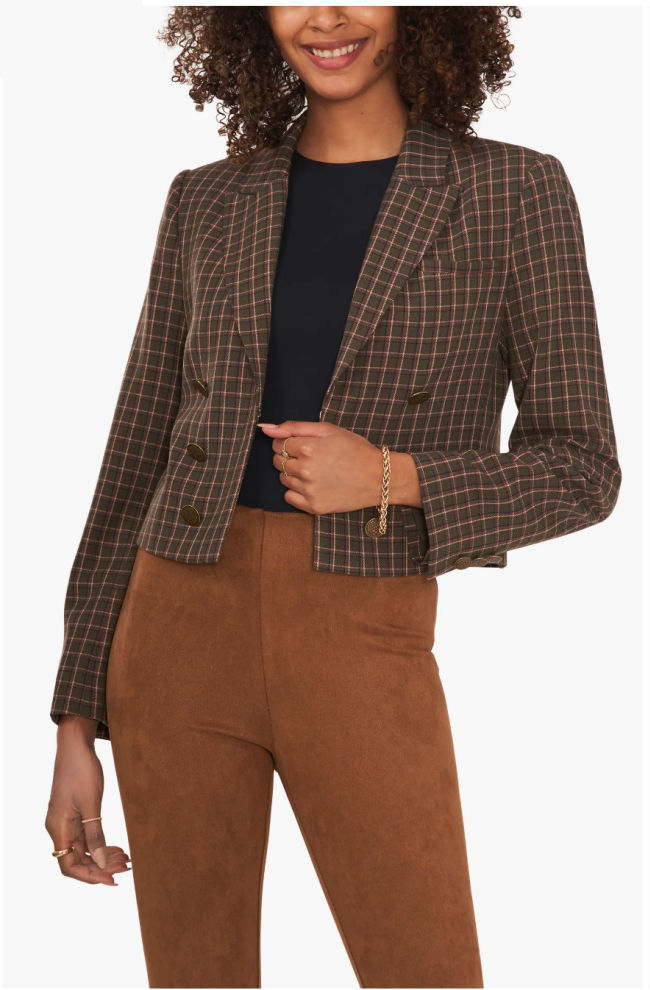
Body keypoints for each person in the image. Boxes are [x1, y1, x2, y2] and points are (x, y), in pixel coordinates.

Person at [45, 6, 622, 988]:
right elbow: (134, 458)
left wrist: (392, 476)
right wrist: (74, 719)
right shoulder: (206, 198)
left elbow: (582, 465)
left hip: (361, 629)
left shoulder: (512, 190)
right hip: (174, 629)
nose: (324, 17)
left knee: (426, 969)